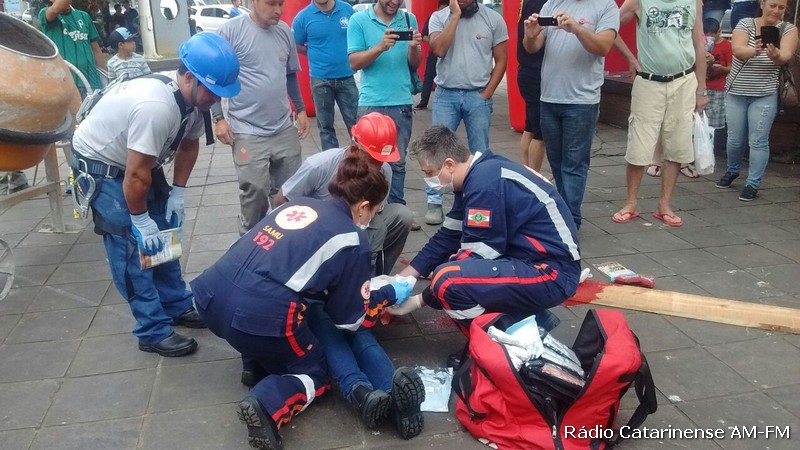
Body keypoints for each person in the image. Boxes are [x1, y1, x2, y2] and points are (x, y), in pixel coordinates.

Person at [189, 155, 423, 449]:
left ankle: (254, 362)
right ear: (363, 207)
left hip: (211, 297)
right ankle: (266, 404)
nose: (372, 219)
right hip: (257, 316)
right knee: (316, 370)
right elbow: (349, 321)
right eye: (375, 212)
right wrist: (387, 294)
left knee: (285, 303)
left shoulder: (299, 205)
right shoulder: (352, 238)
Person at [69, 32, 241, 357]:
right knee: (131, 247)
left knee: (163, 234)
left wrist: (178, 192)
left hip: (137, 160)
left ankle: (175, 303)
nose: (216, 99)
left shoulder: (195, 101)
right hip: (104, 166)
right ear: (188, 77)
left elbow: (189, 145)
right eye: (213, 91)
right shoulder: (157, 107)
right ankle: (151, 329)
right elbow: (135, 175)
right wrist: (139, 220)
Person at [394, 127, 581, 340]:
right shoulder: (477, 176)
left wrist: (421, 299)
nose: (428, 179)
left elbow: (476, 255)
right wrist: (400, 280)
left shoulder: (484, 185)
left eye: (429, 173)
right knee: (450, 270)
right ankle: (527, 317)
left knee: (447, 281)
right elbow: (446, 238)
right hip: (535, 261)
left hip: (552, 273)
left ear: (449, 164)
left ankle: (509, 341)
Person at [212, 0, 310, 235]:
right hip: (246, 128)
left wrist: (301, 109)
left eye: (281, 4)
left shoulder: (284, 31)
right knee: (254, 191)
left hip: (282, 126)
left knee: (290, 191)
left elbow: (290, 75)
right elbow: (214, 76)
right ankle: (249, 239)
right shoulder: (231, 32)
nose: (278, 10)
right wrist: (218, 118)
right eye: (271, 3)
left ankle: (285, 239)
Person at [275, 112, 412, 275]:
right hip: (319, 229)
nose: (378, 166)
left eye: (383, 160)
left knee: (398, 217)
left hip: (359, 223)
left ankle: (375, 276)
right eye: (373, 160)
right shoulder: (319, 165)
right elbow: (282, 199)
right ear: (354, 150)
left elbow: (374, 214)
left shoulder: (384, 171)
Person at [522, 0, 619, 229]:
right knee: (557, 162)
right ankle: (564, 215)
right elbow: (533, 47)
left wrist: (577, 28)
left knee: (574, 164)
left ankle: (570, 220)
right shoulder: (552, 3)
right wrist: (530, 35)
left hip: (581, 100)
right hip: (549, 97)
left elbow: (603, 46)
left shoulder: (606, 6)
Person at [611, 0, 708, 228]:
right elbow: (609, 26)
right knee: (639, 144)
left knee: (677, 144)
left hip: (683, 80)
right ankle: (631, 203)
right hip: (649, 81)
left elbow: (699, 42)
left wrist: (701, 88)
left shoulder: (693, 1)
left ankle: (665, 205)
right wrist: (630, 58)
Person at [425, 0, 508, 225]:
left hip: (477, 95)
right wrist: (454, 16)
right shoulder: (439, 17)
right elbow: (438, 49)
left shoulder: (493, 19)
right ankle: (434, 202)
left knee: (480, 152)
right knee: (436, 149)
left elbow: (501, 60)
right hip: (446, 94)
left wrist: (487, 93)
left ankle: (479, 199)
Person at [716, 0, 798, 201]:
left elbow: (785, 56)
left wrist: (776, 55)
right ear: (762, 4)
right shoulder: (745, 23)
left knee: (758, 140)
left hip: (765, 93)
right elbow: (737, 50)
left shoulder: (788, 29)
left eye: (781, 7)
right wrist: (755, 51)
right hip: (737, 91)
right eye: (772, 5)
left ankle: (753, 183)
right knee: (735, 138)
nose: (776, 10)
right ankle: (732, 170)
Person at [347, 0, 423, 206]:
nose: (395, 2)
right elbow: (354, 62)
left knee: (397, 163)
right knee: (365, 162)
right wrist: (380, 47)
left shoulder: (409, 18)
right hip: (371, 104)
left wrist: (413, 47)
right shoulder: (359, 20)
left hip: (401, 103)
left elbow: (415, 64)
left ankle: (397, 210)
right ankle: (364, 209)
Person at [292, 0, 359, 151]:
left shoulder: (347, 10)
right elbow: (295, 44)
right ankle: (331, 162)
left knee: (356, 125)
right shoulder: (303, 17)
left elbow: (358, 35)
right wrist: (313, 52)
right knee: (325, 128)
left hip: (346, 77)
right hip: (320, 79)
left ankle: (358, 161)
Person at [39, 0, 104, 97]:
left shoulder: (84, 16)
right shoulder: (45, 13)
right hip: (66, 83)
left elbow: (96, 50)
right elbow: (57, 8)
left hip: (92, 81)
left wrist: (105, 76)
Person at [517, 0, 547, 172]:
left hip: (527, 70)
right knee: (540, 133)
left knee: (530, 126)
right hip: (535, 72)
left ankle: (526, 171)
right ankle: (534, 176)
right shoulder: (543, 3)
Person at [414, 0, 449, 110]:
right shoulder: (434, 17)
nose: (443, 12)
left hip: (449, 54)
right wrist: (436, 41)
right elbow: (423, 36)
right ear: (438, 8)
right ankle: (423, 101)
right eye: (441, 9)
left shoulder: (453, 18)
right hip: (434, 53)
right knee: (429, 77)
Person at [703, 17, 732, 147]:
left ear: (719, 32)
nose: (709, 40)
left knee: (715, 120)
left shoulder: (726, 45)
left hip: (718, 88)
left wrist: (722, 68)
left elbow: (731, 68)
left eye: (712, 36)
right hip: (703, 86)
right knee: (701, 118)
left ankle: (715, 146)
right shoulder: (701, 45)